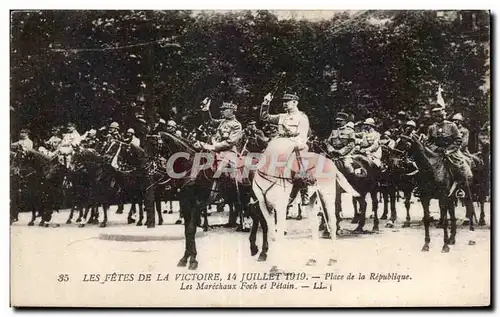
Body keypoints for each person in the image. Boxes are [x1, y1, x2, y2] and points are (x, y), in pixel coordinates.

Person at [260, 92, 311, 205]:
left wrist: (289, 145)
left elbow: (302, 137)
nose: (284, 104)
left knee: (300, 169)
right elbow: (264, 117)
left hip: (296, 145)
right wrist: (266, 103)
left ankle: (304, 191)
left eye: (287, 101)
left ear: (295, 102)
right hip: (279, 143)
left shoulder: (302, 117)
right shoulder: (281, 116)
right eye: (283, 101)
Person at [425, 107, 472, 197]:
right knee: (425, 166)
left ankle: (460, 188)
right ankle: (424, 188)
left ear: (443, 116)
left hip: (452, 152)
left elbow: (458, 140)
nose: (438, 118)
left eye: (439, 116)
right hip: (437, 152)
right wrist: (436, 148)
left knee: (461, 166)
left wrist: (449, 150)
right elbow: (428, 141)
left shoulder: (451, 126)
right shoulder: (431, 128)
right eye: (436, 117)